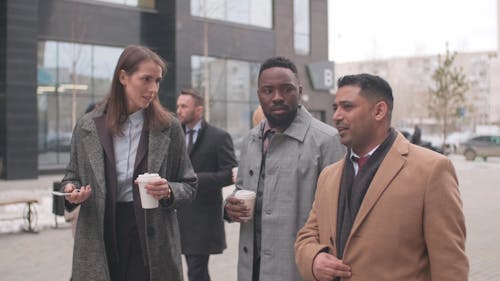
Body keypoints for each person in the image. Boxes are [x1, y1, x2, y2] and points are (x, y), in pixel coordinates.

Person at [295, 73, 468, 281]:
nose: (336, 116)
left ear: (379, 111)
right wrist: (314, 260)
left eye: (347, 107)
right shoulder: (329, 175)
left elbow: (450, 265)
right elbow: (307, 235)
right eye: (335, 108)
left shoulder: (432, 170)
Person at [61, 45, 197, 281]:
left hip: (150, 237)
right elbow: (71, 175)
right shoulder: (87, 126)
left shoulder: (169, 127)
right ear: (123, 77)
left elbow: (189, 185)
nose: (153, 89)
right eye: (146, 79)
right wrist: (72, 191)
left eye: (157, 81)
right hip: (100, 235)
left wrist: (169, 191)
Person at [224, 56, 345, 281]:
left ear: (299, 91)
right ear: (258, 94)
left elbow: (340, 213)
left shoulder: (327, 140)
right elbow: (242, 189)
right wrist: (230, 208)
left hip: (298, 270)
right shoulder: (251, 139)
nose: (277, 97)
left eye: (286, 89)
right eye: (268, 90)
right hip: (251, 270)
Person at [175, 88, 237, 281]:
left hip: (202, 219)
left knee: (196, 271)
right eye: (178, 106)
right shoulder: (173, 135)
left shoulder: (219, 137)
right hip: (176, 216)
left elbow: (230, 174)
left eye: (184, 106)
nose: (179, 110)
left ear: (199, 110)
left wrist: (195, 179)